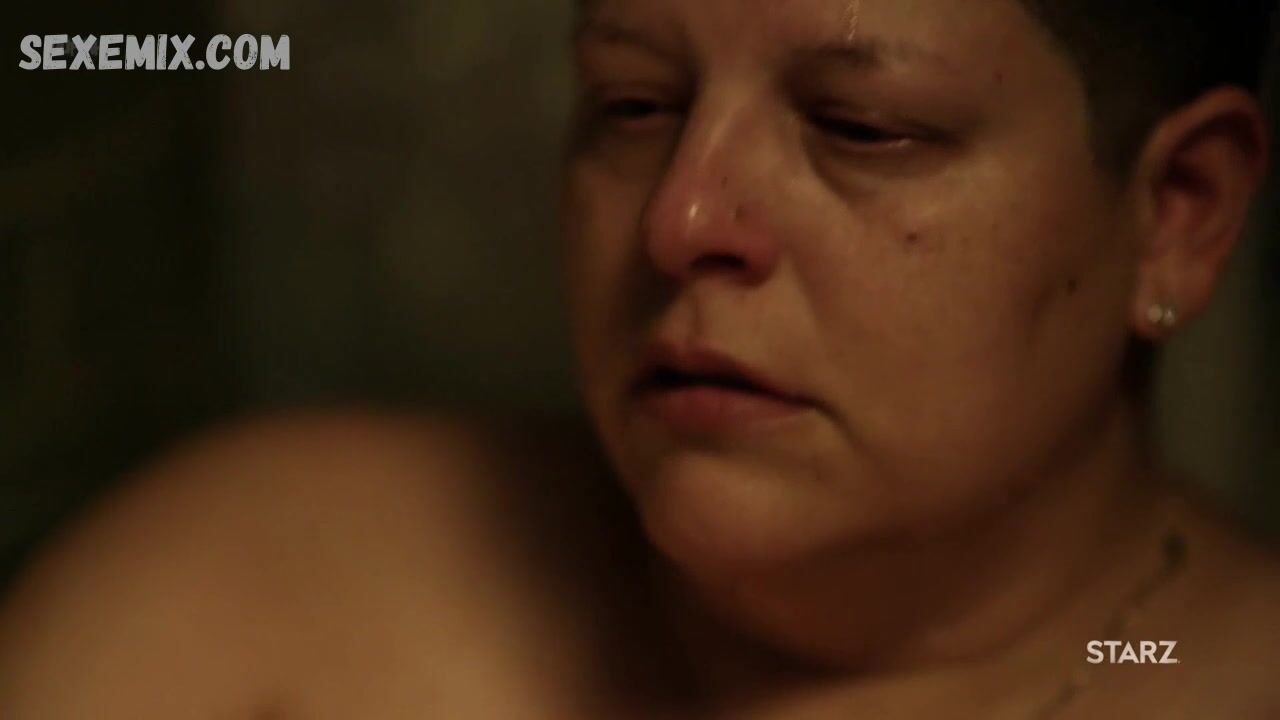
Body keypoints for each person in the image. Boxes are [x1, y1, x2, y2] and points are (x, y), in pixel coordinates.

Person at [3, 0, 1279, 717]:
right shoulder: (254, 579)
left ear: (1176, 215)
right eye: (631, 105)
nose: (679, 221)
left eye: (859, 127)